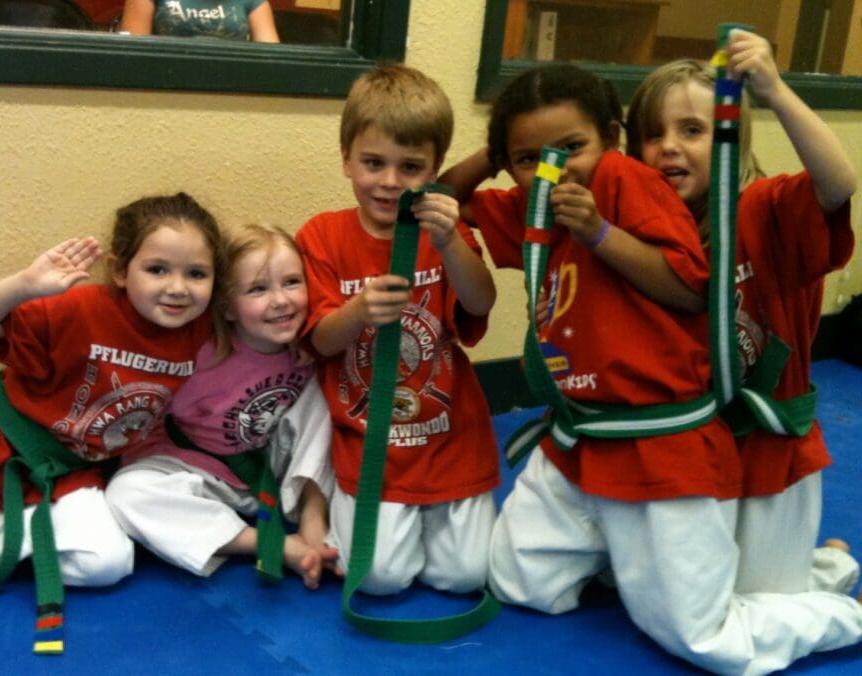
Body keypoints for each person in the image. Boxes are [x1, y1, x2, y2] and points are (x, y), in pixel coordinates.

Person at [440, 61, 817, 674]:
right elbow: (438, 197)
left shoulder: (622, 179)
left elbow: (692, 291)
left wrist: (597, 232)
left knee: (703, 640)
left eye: (572, 147)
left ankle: (833, 614)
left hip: (658, 445)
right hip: (578, 442)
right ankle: (623, 555)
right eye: (531, 157)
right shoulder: (536, 201)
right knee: (516, 581)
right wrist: (500, 154)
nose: (555, 166)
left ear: (612, 140)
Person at [624, 30, 862, 669]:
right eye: (653, 134)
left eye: (692, 130)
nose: (669, 146)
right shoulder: (641, 239)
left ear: (730, 134)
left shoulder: (764, 208)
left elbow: (838, 183)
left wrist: (776, 91)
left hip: (768, 459)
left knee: (745, 606)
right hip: (691, 459)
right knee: (690, 600)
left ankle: (838, 602)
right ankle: (828, 564)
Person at [0, 192, 223, 601]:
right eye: (157, 269)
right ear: (120, 271)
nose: (178, 288)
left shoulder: (203, 331)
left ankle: (9, 529)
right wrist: (23, 286)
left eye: (196, 274)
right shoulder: (80, 308)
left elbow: (258, 329)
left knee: (106, 564)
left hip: (68, 472)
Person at [295, 64, 500, 596]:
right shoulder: (322, 235)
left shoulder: (443, 231)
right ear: (346, 160)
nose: (389, 182)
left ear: (434, 170)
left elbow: (481, 302)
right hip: (371, 443)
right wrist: (357, 312)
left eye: (410, 167)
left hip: (449, 434)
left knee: (465, 576)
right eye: (373, 163)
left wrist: (453, 242)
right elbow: (319, 340)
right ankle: (344, 509)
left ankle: (428, 518)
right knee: (377, 579)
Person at [106, 223, 337, 589]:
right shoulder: (202, 350)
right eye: (258, 289)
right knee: (125, 493)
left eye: (292, 282)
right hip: (196, 466)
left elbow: (312, 432)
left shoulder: (311, 345)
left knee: (327, 392)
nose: (280, 300)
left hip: (270, 468)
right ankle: (266, 544)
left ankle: (313, 515)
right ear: (227, 307)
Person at [120, 0, 280, 42]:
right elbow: (130, 58)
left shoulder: (254, 2)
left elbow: (273, 63)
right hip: (164, 86)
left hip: (232, 90)